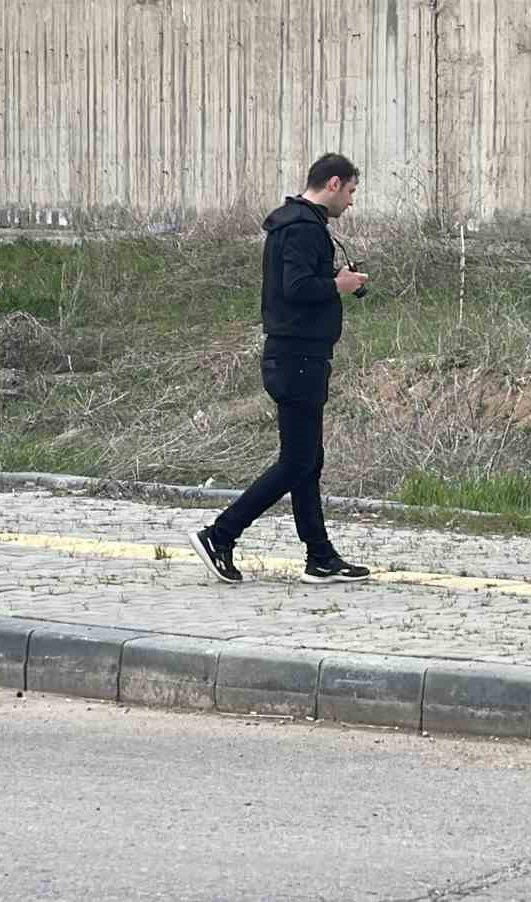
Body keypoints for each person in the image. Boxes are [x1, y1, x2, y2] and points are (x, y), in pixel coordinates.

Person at [189, 153, 371, 585]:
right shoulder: (304, 228)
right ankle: (220, 535)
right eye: (350, 192)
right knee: (296, 462)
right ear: (332, 184)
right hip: (298, 359)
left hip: (298, 357)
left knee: (308, 460)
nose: (350, 202)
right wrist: (337, 285)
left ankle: (320, 557)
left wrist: (330, 279)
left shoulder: (295, 225)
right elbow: (296, 288)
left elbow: (297, 282)